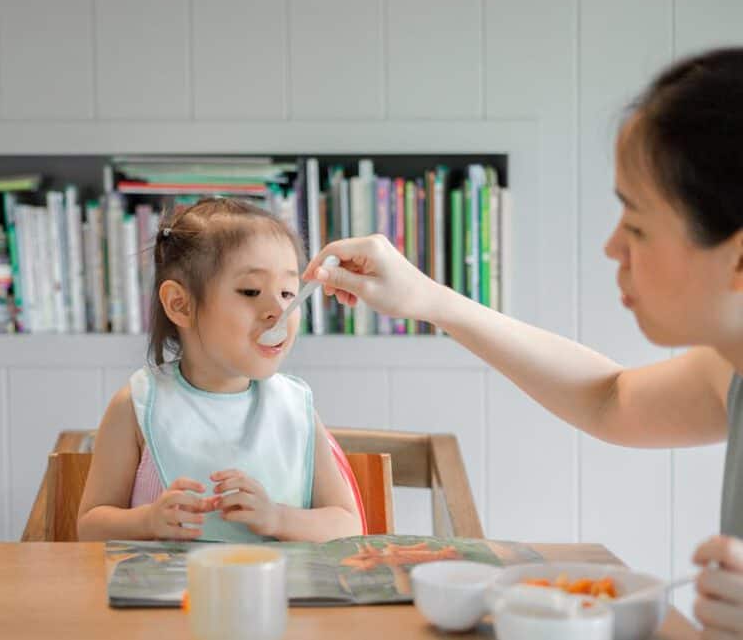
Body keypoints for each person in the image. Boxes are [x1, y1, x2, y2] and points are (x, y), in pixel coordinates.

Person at [304, 47, 743, 637]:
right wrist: (428, 299)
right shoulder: (729, 370)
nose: (613, 246)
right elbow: (609, 398)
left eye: (636, 224)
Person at [78, 198, 361, 543]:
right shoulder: (136, 406)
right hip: (169, 595)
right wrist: (147, 522)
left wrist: (277, 518)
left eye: (288, 292)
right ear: (180, 305)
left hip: (281, 594)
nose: (278, 310)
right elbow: (90, 527)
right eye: (250, 291)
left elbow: (347, 525)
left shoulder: (295, 406)